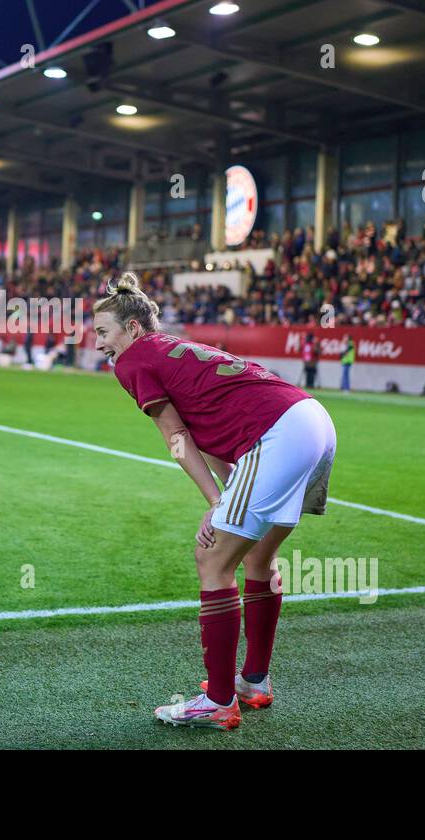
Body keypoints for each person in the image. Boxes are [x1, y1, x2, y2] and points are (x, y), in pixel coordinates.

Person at [93, 273, 337, 730]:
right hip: (313, 421)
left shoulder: (133, 362)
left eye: (104, 333)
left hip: (279, 435)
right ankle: (254, 682)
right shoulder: (171, 348)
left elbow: (178, 439)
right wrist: (224, 498)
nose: (98, 344)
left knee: (211, 557)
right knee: (259, 558)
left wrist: (214, 501)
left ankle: (220, 702)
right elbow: (210, 437)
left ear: (132, 329)